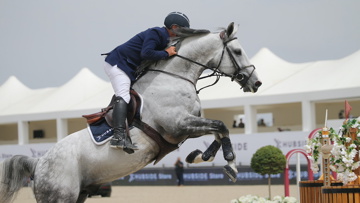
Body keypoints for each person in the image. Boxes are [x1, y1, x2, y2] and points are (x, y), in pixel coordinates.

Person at [103, 12, 190, 153]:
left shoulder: (166, 38)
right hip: (118, 63)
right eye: (183, 30)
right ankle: (118, 136)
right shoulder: (156, 33)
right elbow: (146, 53)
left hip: (128, 67)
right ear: (174, 27)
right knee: (124, 96)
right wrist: (166, 53)